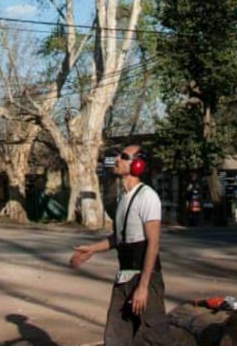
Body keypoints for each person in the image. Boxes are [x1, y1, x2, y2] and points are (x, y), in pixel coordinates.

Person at [69, 144, 168, 344]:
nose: (117, 160)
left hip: (144, 279)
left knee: (156, 339)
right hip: (124, 278)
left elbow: (153, 243)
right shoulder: (123, 198)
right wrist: (91, 250)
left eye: (124, 156)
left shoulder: (148, 197)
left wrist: (143, 287)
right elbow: (120, 238)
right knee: (115, 338)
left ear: (138, 164)